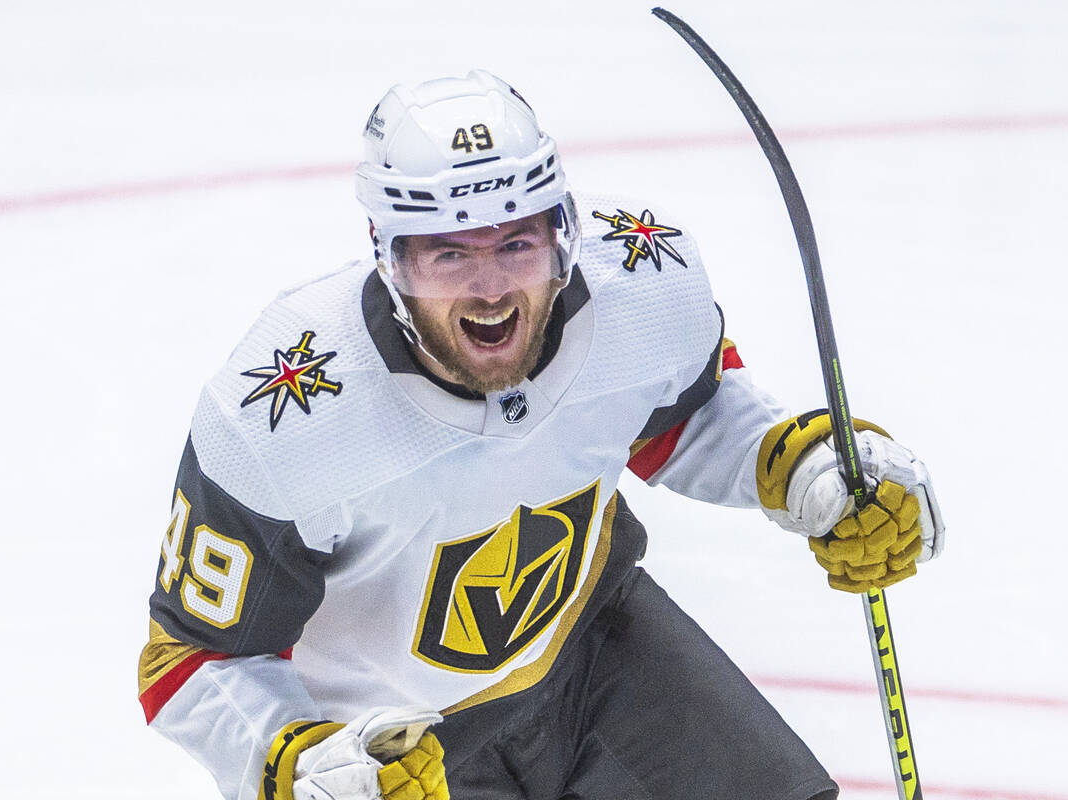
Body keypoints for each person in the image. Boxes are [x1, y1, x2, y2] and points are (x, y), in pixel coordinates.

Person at [138, 70, 943, 800]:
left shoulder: (640, 283)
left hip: (599, 656)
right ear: (388, 259)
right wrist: (299, 760)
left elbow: (684, 418)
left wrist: (800, 465)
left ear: (562, 230)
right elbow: (192, 659)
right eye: (448, 254)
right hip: (396, 757)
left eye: (516, 242)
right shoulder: (289, 413)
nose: (491, 289)